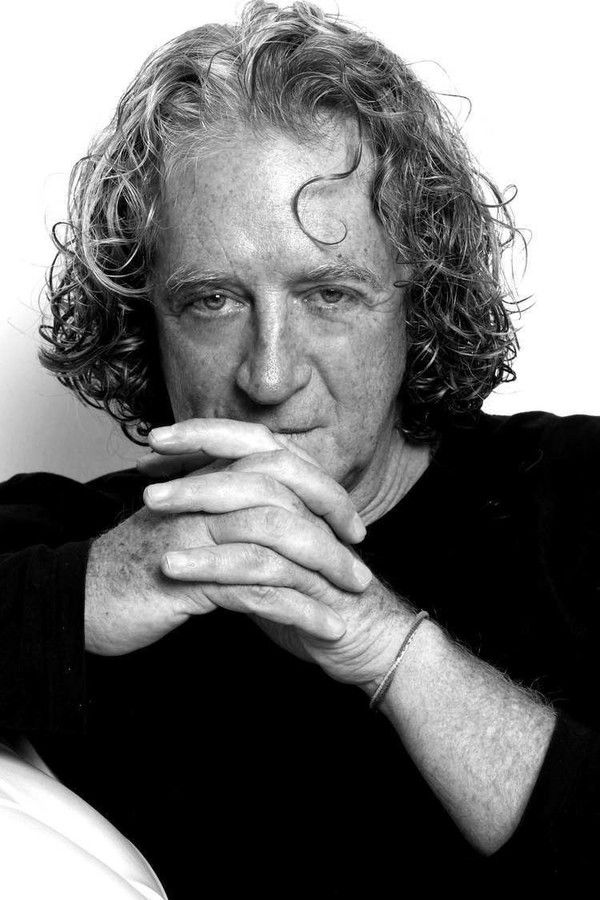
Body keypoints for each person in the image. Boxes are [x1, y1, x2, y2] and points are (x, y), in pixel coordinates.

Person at [1, 0, 599, 895]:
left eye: (329, 295)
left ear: (417, 298)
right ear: (145, 315)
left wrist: (385, 646)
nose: (270, 375)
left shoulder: (581, 500)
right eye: (212, 301)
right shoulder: (75, 540)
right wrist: (91, 591)